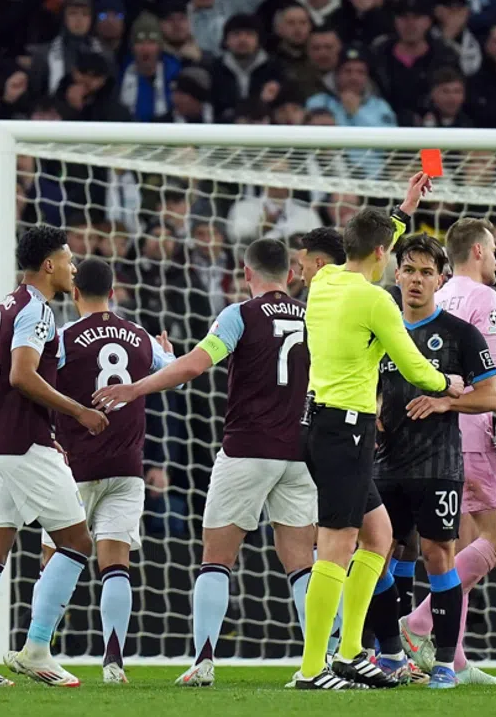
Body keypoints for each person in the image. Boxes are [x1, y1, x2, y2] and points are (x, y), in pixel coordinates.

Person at [94, 239, 317, 688]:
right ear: (291, 275)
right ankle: (319, 661)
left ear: (246, 273)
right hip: (300, 452)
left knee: (216, 558)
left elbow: (195, 366)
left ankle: (204, 660)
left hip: (247, 450)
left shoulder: (238, 315)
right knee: (301, 563)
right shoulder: (314, 316)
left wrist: (137, 388)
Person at [0, 257, 173, 684]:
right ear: (115, 290)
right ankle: (108, 661)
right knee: (113, 562)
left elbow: (9, 380)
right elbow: (168, 369)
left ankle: (1, 654)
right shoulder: (140, 337)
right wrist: (168, 354)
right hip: (126, 465)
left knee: (32, 554)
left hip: (72, 461)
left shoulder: (61, 335)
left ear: (77, 292)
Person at [295, 172, 463, 690]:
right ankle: (312, 668)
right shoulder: (376, 301)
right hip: (344, 429)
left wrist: (403, 208)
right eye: (392, 254)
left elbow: (372, 239)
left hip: (326, 425)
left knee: (380, 535)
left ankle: (350, 653)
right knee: (337, 545)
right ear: (383, 256)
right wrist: (449, 383)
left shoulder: (325, 281)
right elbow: (414, 368)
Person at [0, 226, 107, 687]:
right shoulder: (37, 310)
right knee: (76, 543)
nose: (75, 268)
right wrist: (80, 412)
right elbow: (20, 376)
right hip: (24, 443)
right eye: (69, 259)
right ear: (49, 265)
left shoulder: (3, 308)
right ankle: (36, 649)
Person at [400, 217, 496, 686]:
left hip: (438, 431)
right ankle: (421, 621)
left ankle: (455, 658)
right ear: (479, 251)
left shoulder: (438, 297)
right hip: (471, 422)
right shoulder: (484, 297)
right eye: (495, 249)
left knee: (460, 547)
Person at [367, 234, 496, 689]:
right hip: (385, 464)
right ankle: (389, 655)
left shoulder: (461, 333)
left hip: (439, 465)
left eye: (427, 272)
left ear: (441, 279)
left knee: (438, 555)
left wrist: (446, 403)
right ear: (397, 274)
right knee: (373, 556)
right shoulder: (380, 331)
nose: (416, 280)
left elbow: (493, 394)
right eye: (409, 270)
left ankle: (445, 663)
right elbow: (363, 382)